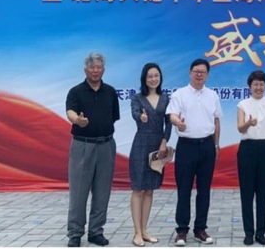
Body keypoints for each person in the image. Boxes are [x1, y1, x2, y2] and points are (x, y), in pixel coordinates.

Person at [65, 53, 120, 247]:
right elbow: (70, 112)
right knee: (78, 192)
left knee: (102, 191)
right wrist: (78, 121)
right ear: (85, 70)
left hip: (106, 145)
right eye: (92, 67)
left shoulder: (110, 92)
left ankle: (96, 232)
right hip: (82, 145)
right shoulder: (76, 92)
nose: (95, 71)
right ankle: (75, 233)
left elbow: (113, 117)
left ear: (103, 70)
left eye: (99, 67)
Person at [166, 58, 222, 246]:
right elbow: (172, 115)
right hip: (186, 146)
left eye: (203, 72)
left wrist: (216, 145)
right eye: (196, 71)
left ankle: (200, 229)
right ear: (190, 73)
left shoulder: (212, 95)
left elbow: (216, 121)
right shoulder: (179, 94)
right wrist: (178, 123)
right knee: (184, 190)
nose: (199, 74)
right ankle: (182, 230)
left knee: (204, 190)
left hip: (207, 146)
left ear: (207, 75)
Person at [129, 63, 172, 247]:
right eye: (150, 76)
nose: (153, 79)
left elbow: (169, 123)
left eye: (156, 76)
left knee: (149, 190)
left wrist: (164, 141)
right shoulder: (137, 98)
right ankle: (137, 233)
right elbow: (135, 113)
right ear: (144, 79)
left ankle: (145, 230)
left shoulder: (165, 98)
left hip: (157, 146)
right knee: (138, 189)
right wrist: (141, 117)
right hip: (141, 144)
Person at [236, 70, 265, 246]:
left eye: (262, 84)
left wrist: (263, 137)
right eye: (255, 84)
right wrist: (248, 123)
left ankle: (261, 232)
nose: (259, 87)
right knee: (246, 192)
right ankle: (248, 232)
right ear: (250, 86)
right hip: (247, 149)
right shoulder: (243, 104)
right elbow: (240, 128)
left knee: (263, 192)